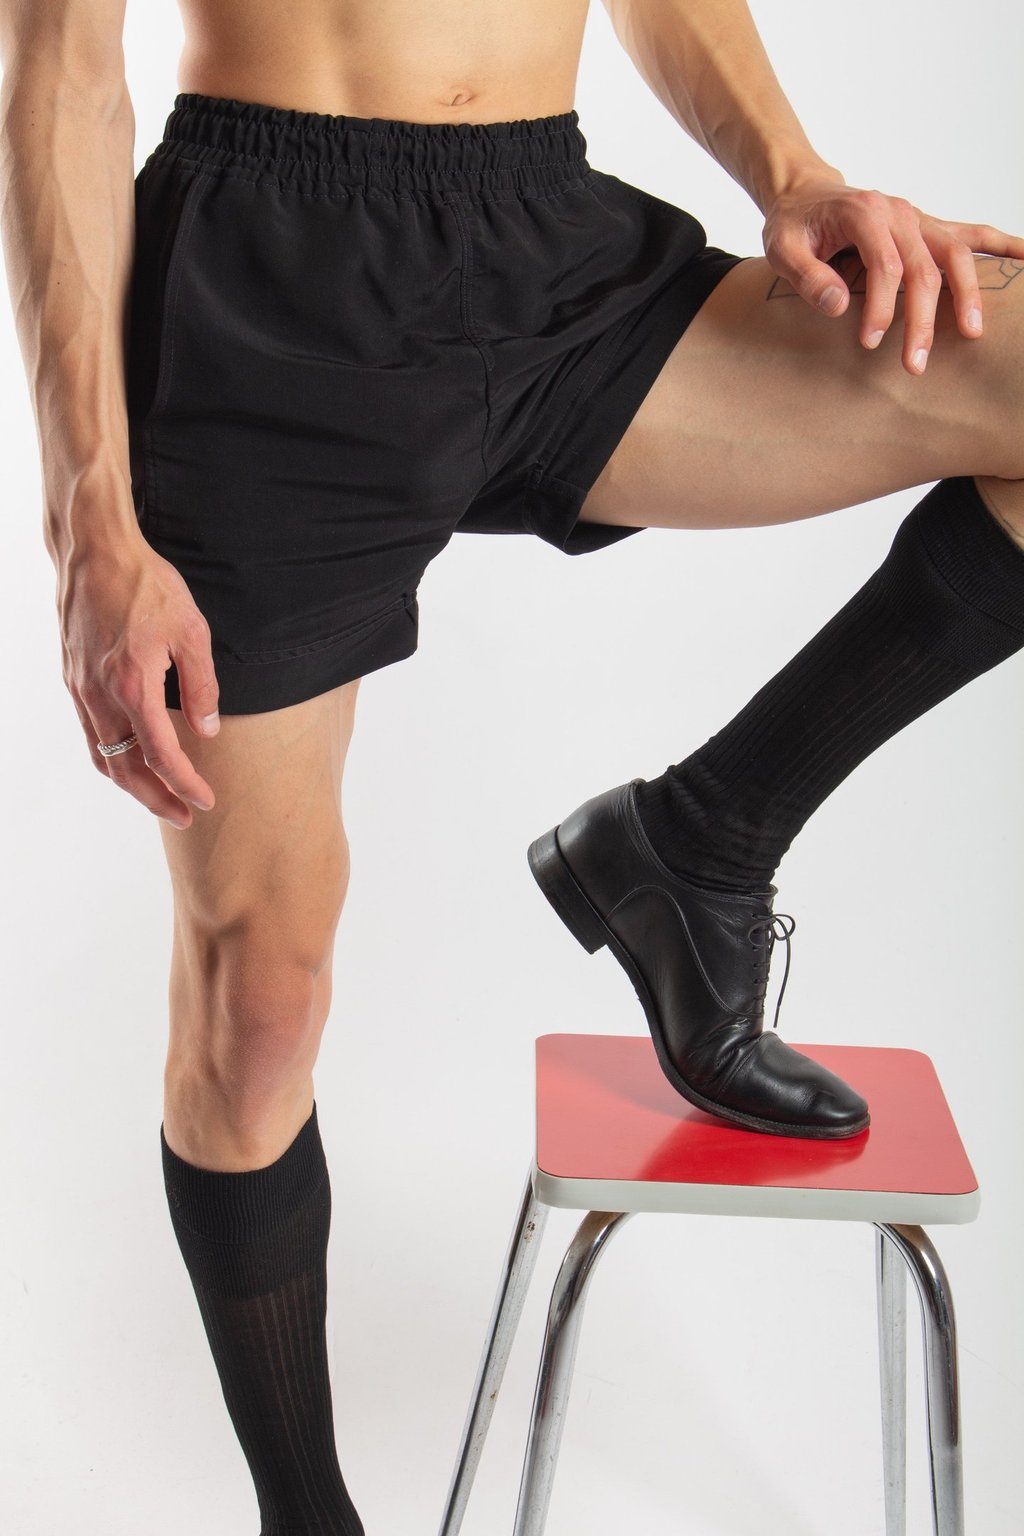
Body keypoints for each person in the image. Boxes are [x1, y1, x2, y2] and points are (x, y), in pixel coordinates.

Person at [1, 0, 1020, 1531]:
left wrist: (793, 171)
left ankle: (699, 843)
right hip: (268, 294)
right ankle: (307, 1518)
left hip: (548, 252)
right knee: (258, 1001)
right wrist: (91, 516)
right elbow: (62, 74)